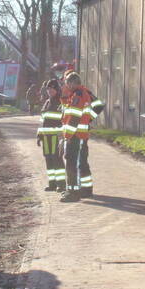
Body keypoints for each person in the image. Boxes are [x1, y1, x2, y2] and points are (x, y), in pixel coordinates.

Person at [60, 72, 97, 203]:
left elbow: (74, 117)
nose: (66, 85)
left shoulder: (78, 95)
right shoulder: (79, 94)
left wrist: (67, 136)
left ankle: (73, 192)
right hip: (79, 134)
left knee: (71, 163)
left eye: (67, 83)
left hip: (76, 136)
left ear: (72, 83)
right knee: (78, 163)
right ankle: (82, 190)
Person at [37, 78, 65, 191]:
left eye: (52, 89)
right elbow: (42, 121)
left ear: (57, 89)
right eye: (48, 89)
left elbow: (64, 120)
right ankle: (52, 183)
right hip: (46, 137)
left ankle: (61, 184)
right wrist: (39, 135)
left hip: (56, 137)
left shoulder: (61, 102)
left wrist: (62, 137)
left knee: (57, 160)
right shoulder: (47, 102)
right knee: (48, 160)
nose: (49, 91)